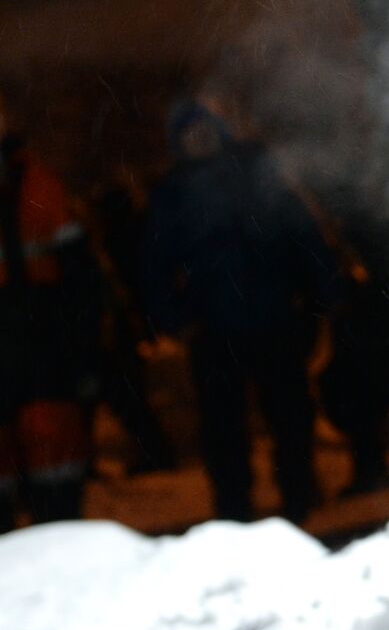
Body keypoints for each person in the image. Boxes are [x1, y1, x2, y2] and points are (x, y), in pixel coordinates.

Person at [140, 101, 339, 524]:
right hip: (214, 327)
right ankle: (234, 512)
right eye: (187, 132)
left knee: (290, 417)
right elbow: (153, 264)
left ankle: (299, 500)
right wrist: (173, 318)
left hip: (275, 317)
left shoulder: (258, 174)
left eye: (204, 128)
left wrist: (322, 294)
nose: (199, 138)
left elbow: (302, 232)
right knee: (223, 428)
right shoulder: (172, 194)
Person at [0, 107, 102, 532]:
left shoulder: (41, 188)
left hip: (42, 347)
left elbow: (81, 278)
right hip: (32, 345)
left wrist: (83, 348)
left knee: (53, 458)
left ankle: (59, 550)